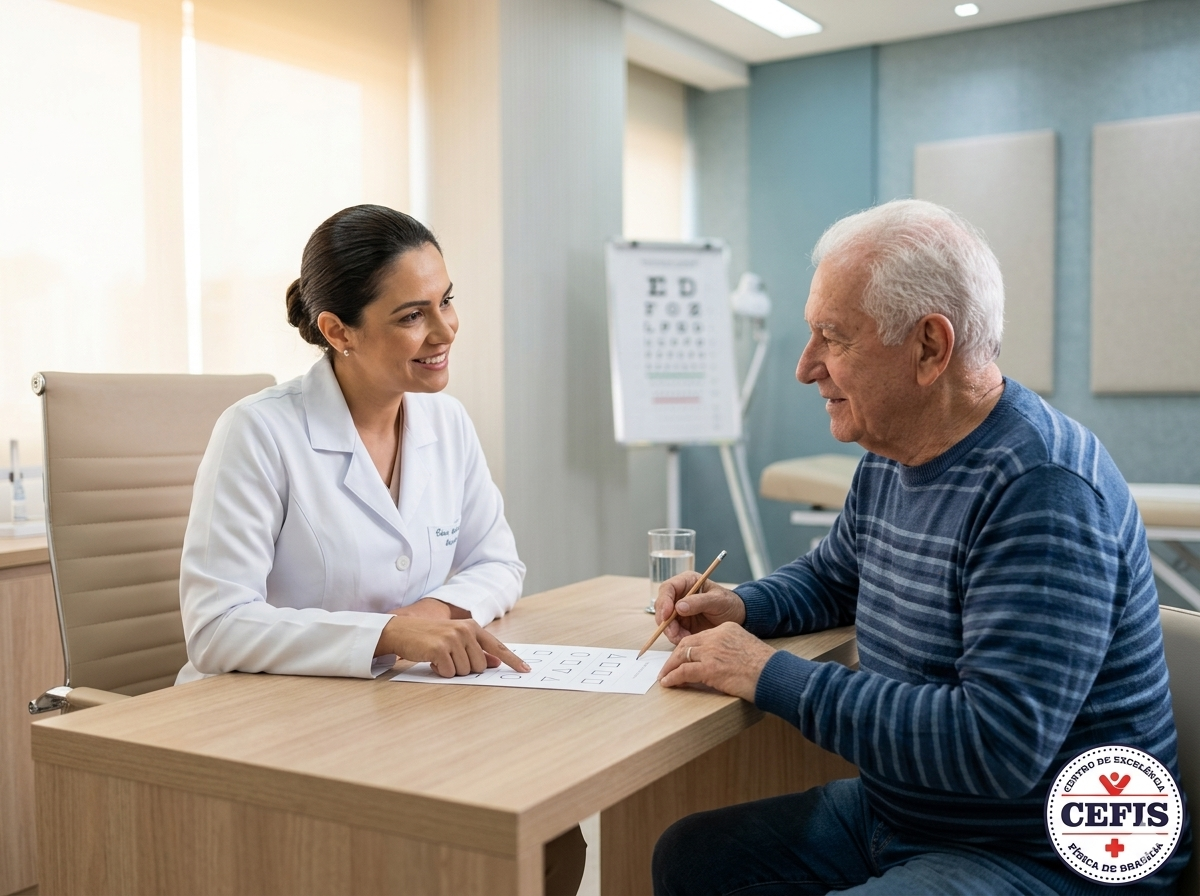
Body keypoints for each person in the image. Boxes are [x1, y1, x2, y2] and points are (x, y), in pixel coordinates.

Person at [650, 199, 1192, 895]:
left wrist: (769, 674)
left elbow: (996, 745)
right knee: (692, 856)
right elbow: (834, 578)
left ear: (930, 347)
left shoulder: (1043, 489)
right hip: (911, 818)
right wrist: (742, 606)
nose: (806, 367)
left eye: (831, 337)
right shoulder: (894, 453)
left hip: (1044, 853)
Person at [177, 204, 584, 895]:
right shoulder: (259, 433)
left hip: (395, 715)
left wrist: (431, 611)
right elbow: (216, 626)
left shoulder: (446, 422)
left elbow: (498, 563)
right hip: (269, 728)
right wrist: (389, 634)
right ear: (338, 331)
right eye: (412, 316)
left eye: (446, 301)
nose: (445, 330)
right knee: (471, 847)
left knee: (546, 835)